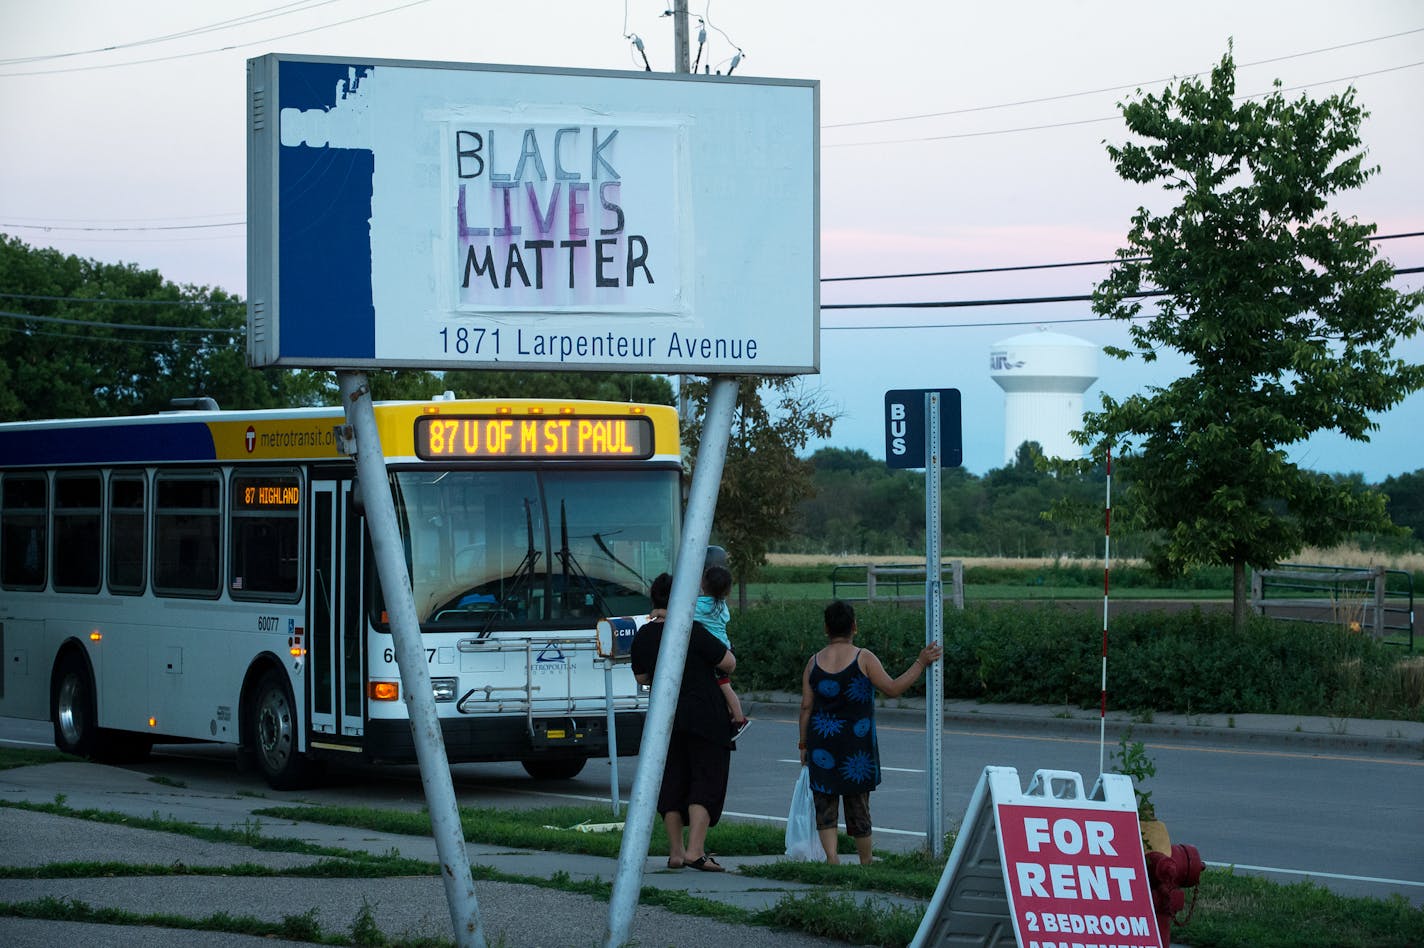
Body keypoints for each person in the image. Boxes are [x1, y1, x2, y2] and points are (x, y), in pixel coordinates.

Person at [798, 599, 943, 865]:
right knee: (858, 805)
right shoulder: (863, 658)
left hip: (822, 744)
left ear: (826, 629)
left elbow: (806, 706)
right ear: (854, 626)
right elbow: (893, 688)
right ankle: (866, 861)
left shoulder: (813, 662)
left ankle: (832, 860)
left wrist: (803, 745)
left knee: (825, 803)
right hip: (856, 746)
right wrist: (920, 663)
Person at [630, 572, 736, 872]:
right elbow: (728, 662)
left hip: (666, 719)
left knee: (673, 780)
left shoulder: (645, 635)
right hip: (705, 714)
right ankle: (696, 851)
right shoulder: (692, 630)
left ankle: (676, 852)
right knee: (706, 778)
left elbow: (641, 677)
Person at [694, 563, 750, 739]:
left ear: (703, 584)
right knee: (720, 685)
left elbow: (685, 614)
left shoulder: (700, 606)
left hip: (717, 650)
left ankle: (740, 719)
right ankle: (730, 713)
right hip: (725, 647)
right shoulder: (721, 606)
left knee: (724, 685)